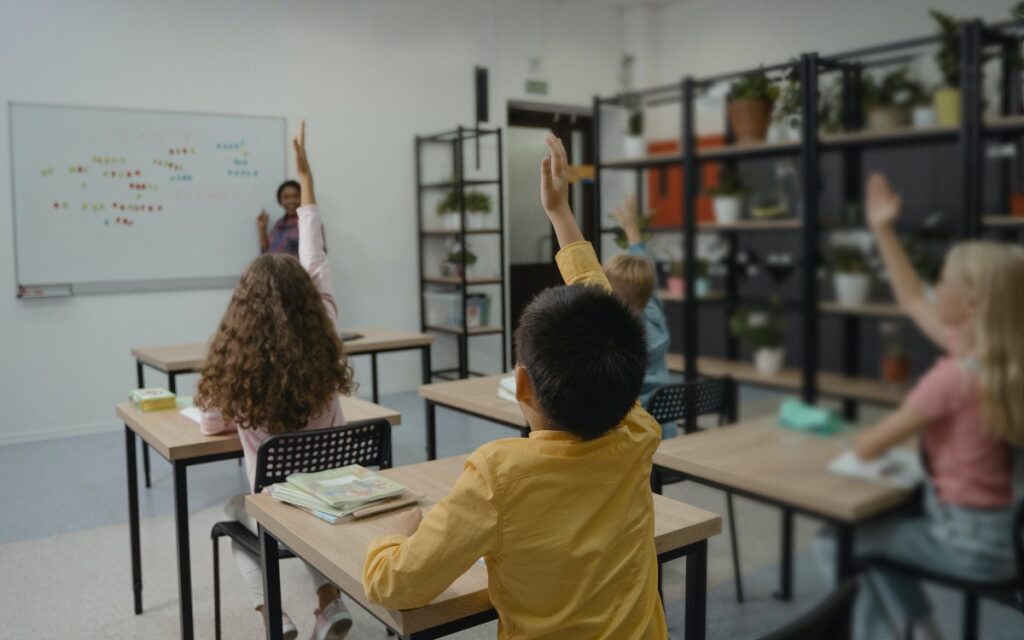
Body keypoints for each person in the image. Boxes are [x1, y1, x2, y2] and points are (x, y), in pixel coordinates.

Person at [361, 133, 667, 639]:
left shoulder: (497, 476)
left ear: (521, 383)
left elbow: (393, 585)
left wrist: (392, 536)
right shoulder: (636, 432)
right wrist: (560, 216)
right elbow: (601, 305)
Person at [815, 172, 1024, 640]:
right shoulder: (1002, 361)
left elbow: (869, 446)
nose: (936, 289)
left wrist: (851, 440)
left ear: (969, 304)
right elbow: (911, 298)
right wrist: (883, 229)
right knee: (878, 534)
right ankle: (922, 628)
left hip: (965, 544)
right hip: (1006, 539)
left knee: (838, 542)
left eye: (944, 283)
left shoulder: (952, 379)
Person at [196, 121, 354, 640]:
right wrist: (307, 173)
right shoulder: (325, 326)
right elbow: (314, 254)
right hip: (333, 493)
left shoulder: (237, 370)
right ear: (311, 300)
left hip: (280, 502)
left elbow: (212, 425)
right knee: (305, 506)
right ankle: (329, 603)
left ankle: (274, 618)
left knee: (240, 510)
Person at [605, 193, 671, 433]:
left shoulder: (616, 342)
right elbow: (647, 271)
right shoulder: (654, 315)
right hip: (666, 432)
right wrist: (632, 230)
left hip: (633, 442)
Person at [258, 179, 302, 256]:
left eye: (295, 196)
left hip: (296, 268)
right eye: (286, 197)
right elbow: (266, 252)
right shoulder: (279, 224)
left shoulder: (308, 223)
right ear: (280, 200)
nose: (291, 200)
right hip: (273, 268)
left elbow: (316, 255)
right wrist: (262, 228)